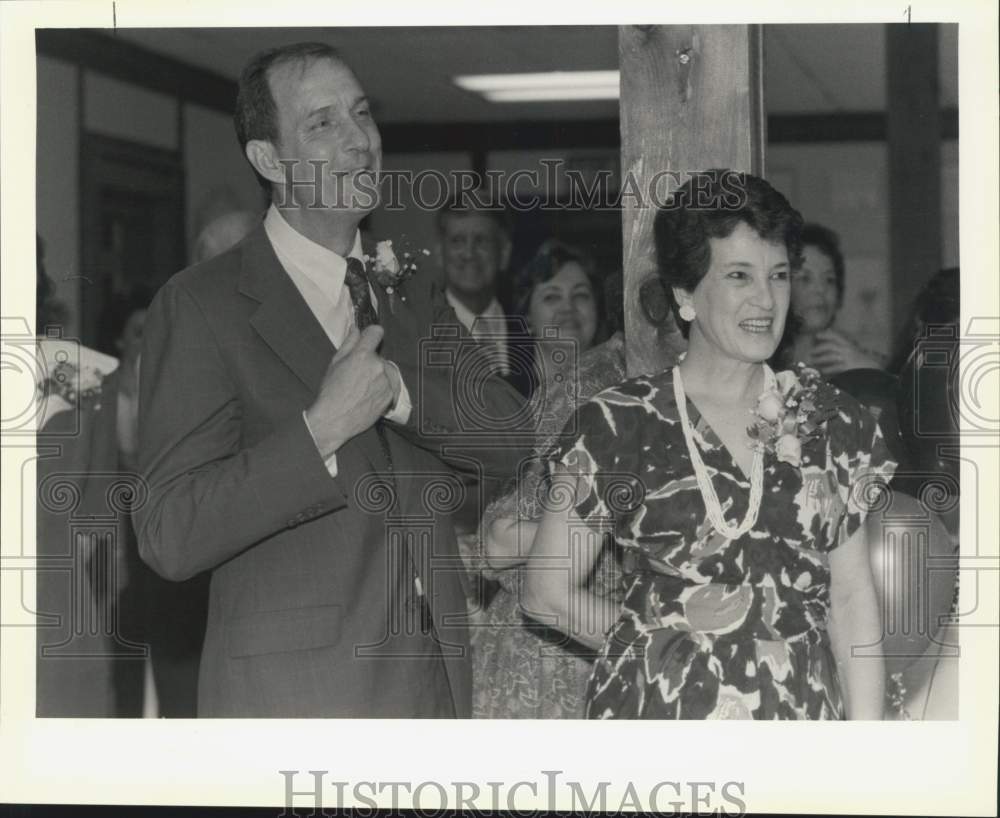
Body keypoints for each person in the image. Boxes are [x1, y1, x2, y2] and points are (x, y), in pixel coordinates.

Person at [135, 42, 529, 717]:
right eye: (323, 123)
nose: (359, 141)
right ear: (269, 159)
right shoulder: (203, 302)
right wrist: (321, 429)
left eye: (362, 113)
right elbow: (169, 532)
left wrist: (398, 395)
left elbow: (511, 437)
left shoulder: (410, 289)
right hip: (296, 705)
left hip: (433, 692)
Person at [524, 170, 895, 719]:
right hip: (659, 723)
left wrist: (869, 755)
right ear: (685, 295)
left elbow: (851, 599)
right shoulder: (616, 423)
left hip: (799, 721)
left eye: (779, 275)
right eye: (739, 276)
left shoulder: (831, 420)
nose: (766, 299)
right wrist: (661, 643)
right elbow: (545, 593)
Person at [471, 249, 624, 718]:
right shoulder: (504, 404)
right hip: (520, 638)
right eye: (551, 295)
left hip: (593, 628)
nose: (569, 307)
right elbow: (491, 543)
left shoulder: (622, 392)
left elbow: (499, 540)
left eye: (581, 295)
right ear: (526, 312)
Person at [437, 197, 533, 395]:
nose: (469, 253)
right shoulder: (419, 331)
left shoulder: (532, 332)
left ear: (504, 253)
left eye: (481, 240)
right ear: (440, 253)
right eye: (457, 241)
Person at [775, 223, 886, 375]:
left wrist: (870, 373)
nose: (821, 289)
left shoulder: (861, 360)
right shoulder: (761, 363)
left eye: (829, 280)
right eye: (805, 279)